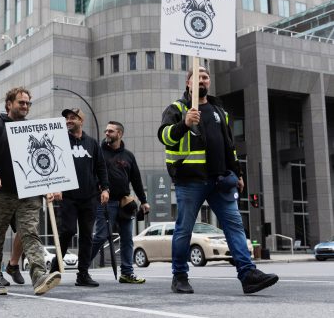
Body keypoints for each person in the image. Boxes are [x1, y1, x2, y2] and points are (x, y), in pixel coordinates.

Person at [157, 66, 278, 294]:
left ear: (209, 82)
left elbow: (229, 146)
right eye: (197, 77)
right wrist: (184, 123)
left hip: (221, 180)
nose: (202, 80)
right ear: (188, 83)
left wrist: (238, 173)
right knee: (184, 230)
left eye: (205, 77)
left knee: (235, 227)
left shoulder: (219, 111)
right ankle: (180, 276)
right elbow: (163, 136)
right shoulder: (177, 108)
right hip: (190, 180)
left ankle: (248, 274)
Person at [0, 87, 61, 295]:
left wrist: (49, 187)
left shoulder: (32, 130)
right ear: (9, 104)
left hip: (28, 194)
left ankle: (39, 276)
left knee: (30, 233)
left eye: (27, 103)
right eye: (21, 102)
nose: (25, 106)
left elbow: (40, 162)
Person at [50, 108, 109, 287]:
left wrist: (105, 188)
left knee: (86, 236)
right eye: (67, 118)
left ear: (81, 121)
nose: (69, 120)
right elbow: (53, 165)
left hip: (89, 197)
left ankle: (83, 274)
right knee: (67, 231)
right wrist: (56, 186)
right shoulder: (59, 141)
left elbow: (101, 167)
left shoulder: (91, 143)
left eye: (73, 118)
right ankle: (54, 269)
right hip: (67, 197)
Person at [90, 121, 149, 284]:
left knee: (127, 238)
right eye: (106, 130)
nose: (106, 133)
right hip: (104, 202)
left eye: (110, 131)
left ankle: (127, 273)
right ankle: (83, 266)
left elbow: (136, 179)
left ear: (119, 134)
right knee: (101, 236)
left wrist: (144, 201)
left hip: (124, 203)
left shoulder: (128, 156)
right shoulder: (99, 152)